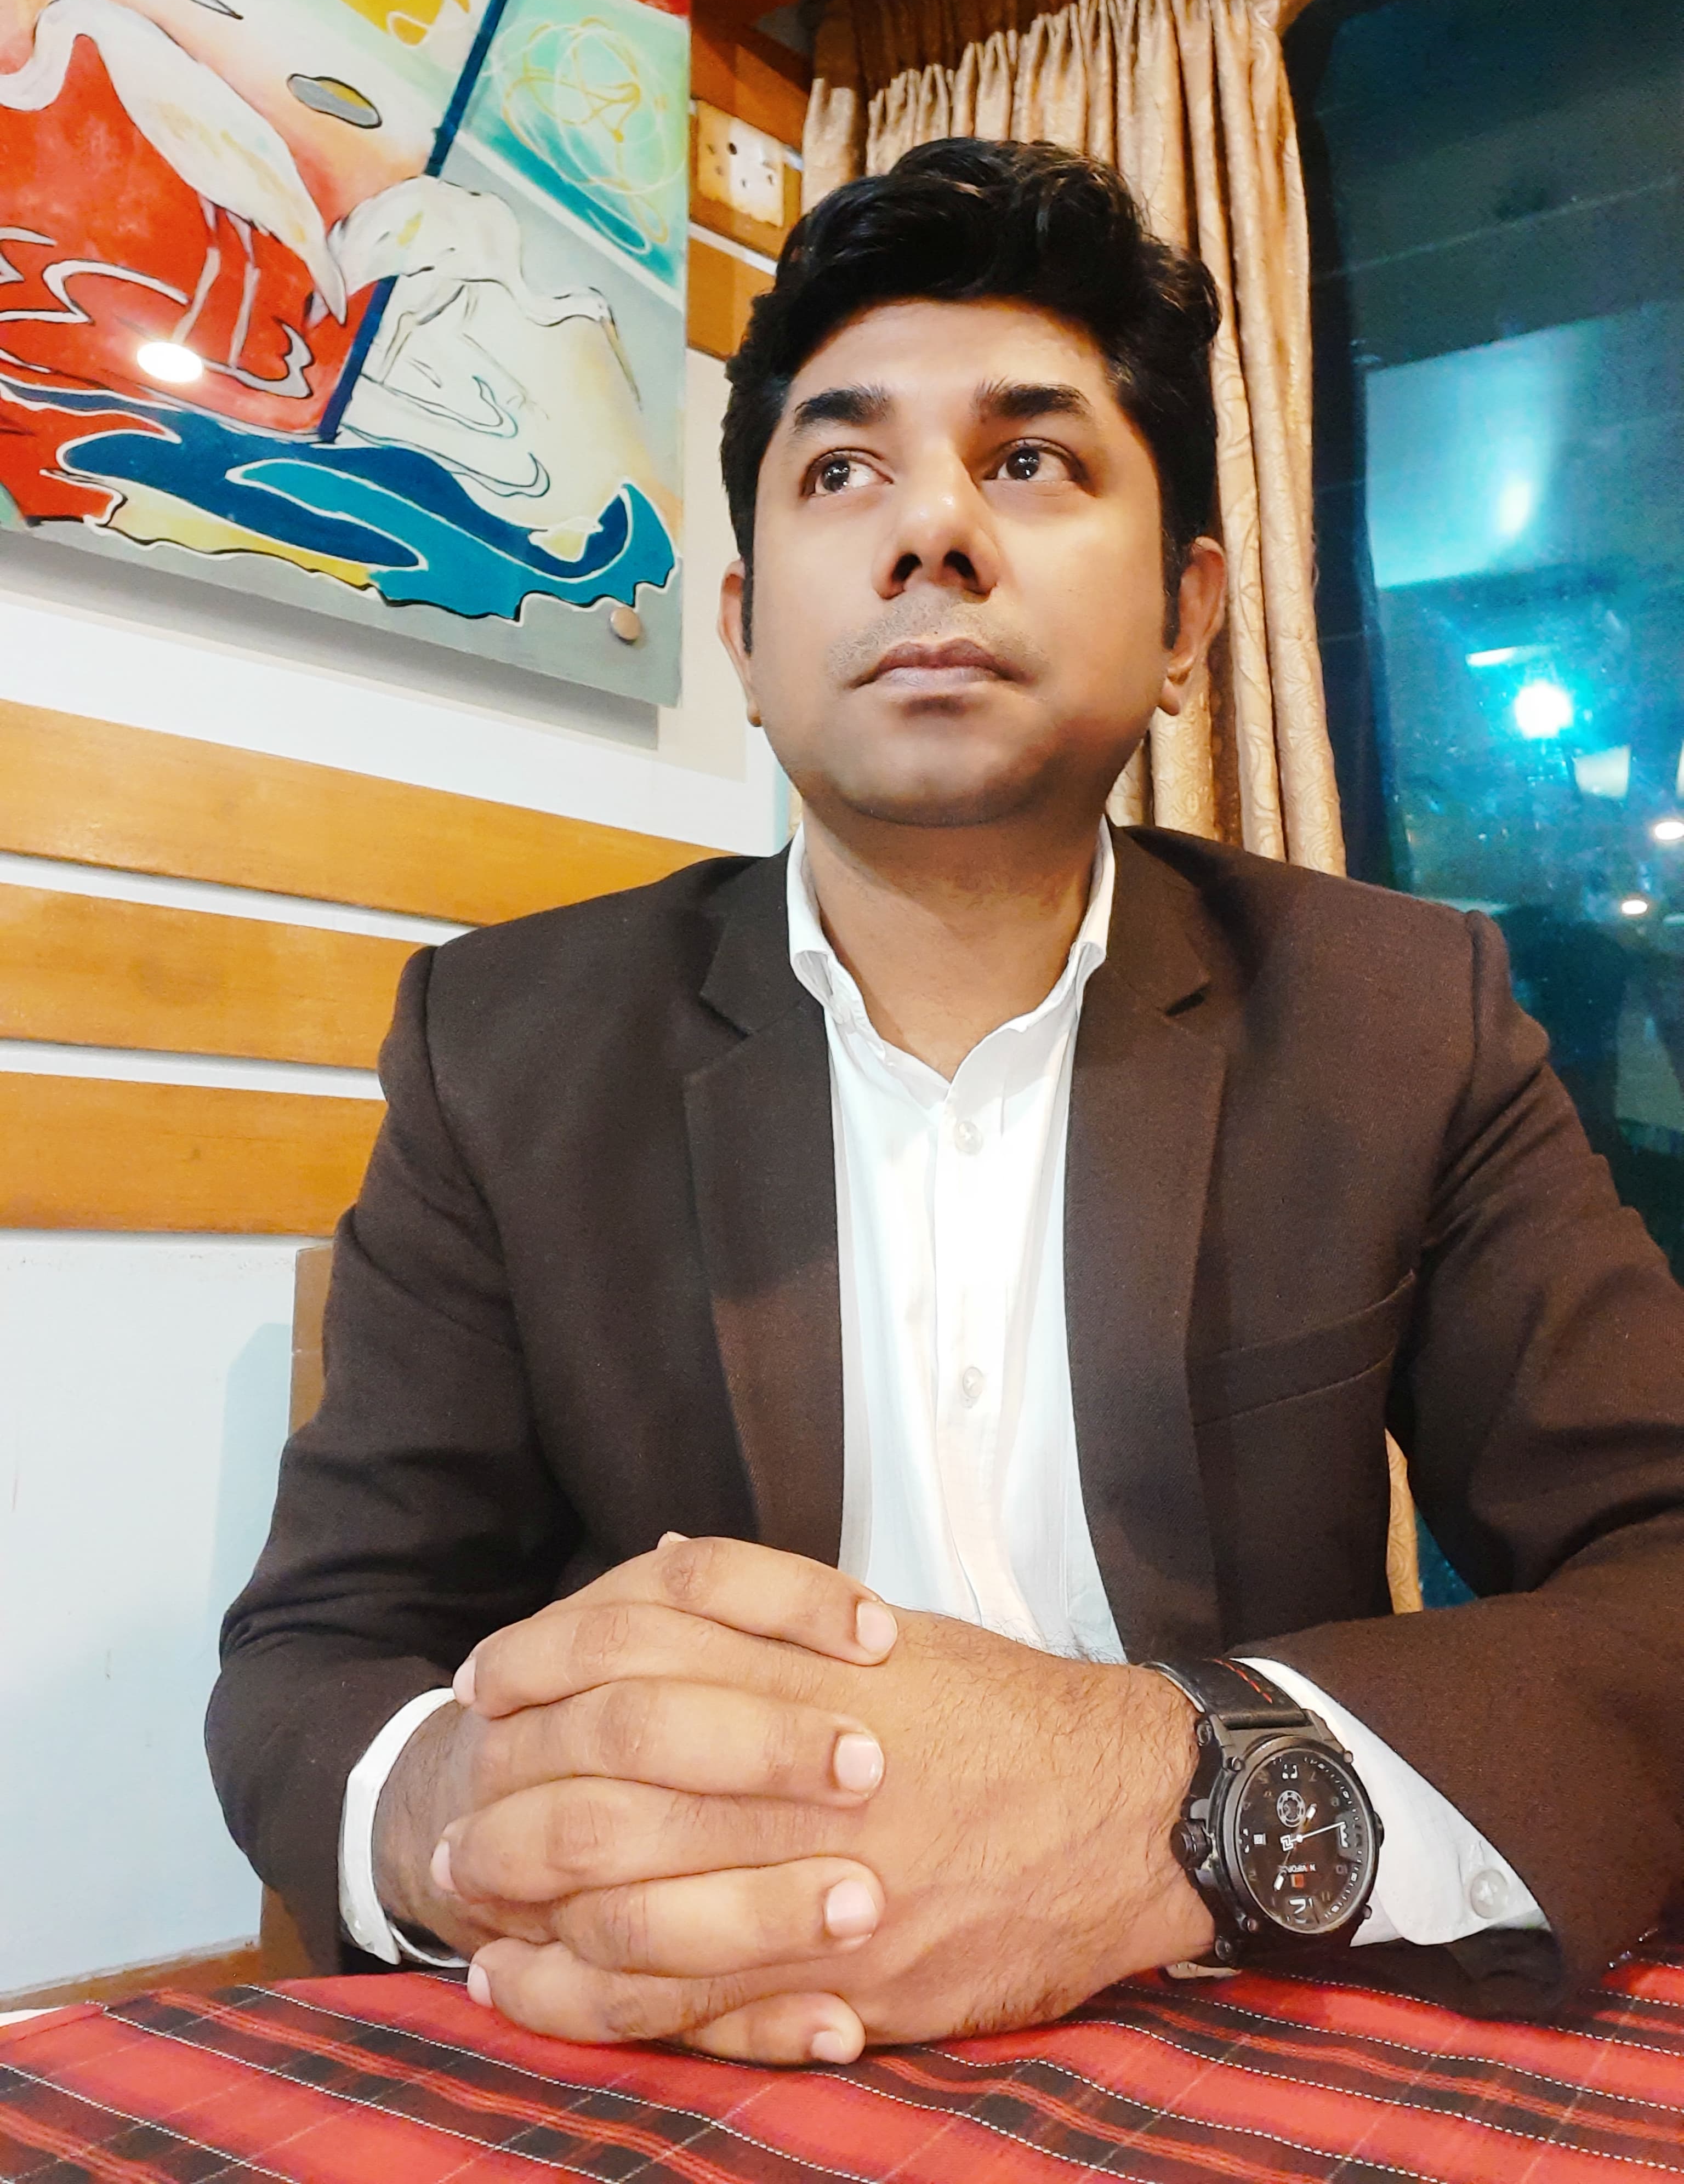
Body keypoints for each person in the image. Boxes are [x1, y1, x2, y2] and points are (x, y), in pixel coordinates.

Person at [209, 139, 1684, 2067]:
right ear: (743, 636)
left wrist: (1157, 1801)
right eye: (842, 471)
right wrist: (454, 1816)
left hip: (1241, 2013)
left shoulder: (1402, 1020)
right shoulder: (502, 1046)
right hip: (677, 2048)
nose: (931, 532)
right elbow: (318, 1659)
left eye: (1033, 459)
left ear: (1189, 617)